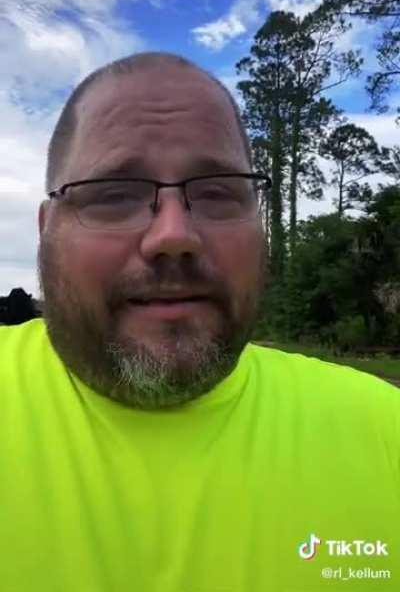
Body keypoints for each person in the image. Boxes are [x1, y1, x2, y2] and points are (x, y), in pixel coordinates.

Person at [0, 52, 399, 592]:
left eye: (217, 192)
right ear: (46, 229)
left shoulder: (385, 434)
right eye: (115, 195)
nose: (173, 236)